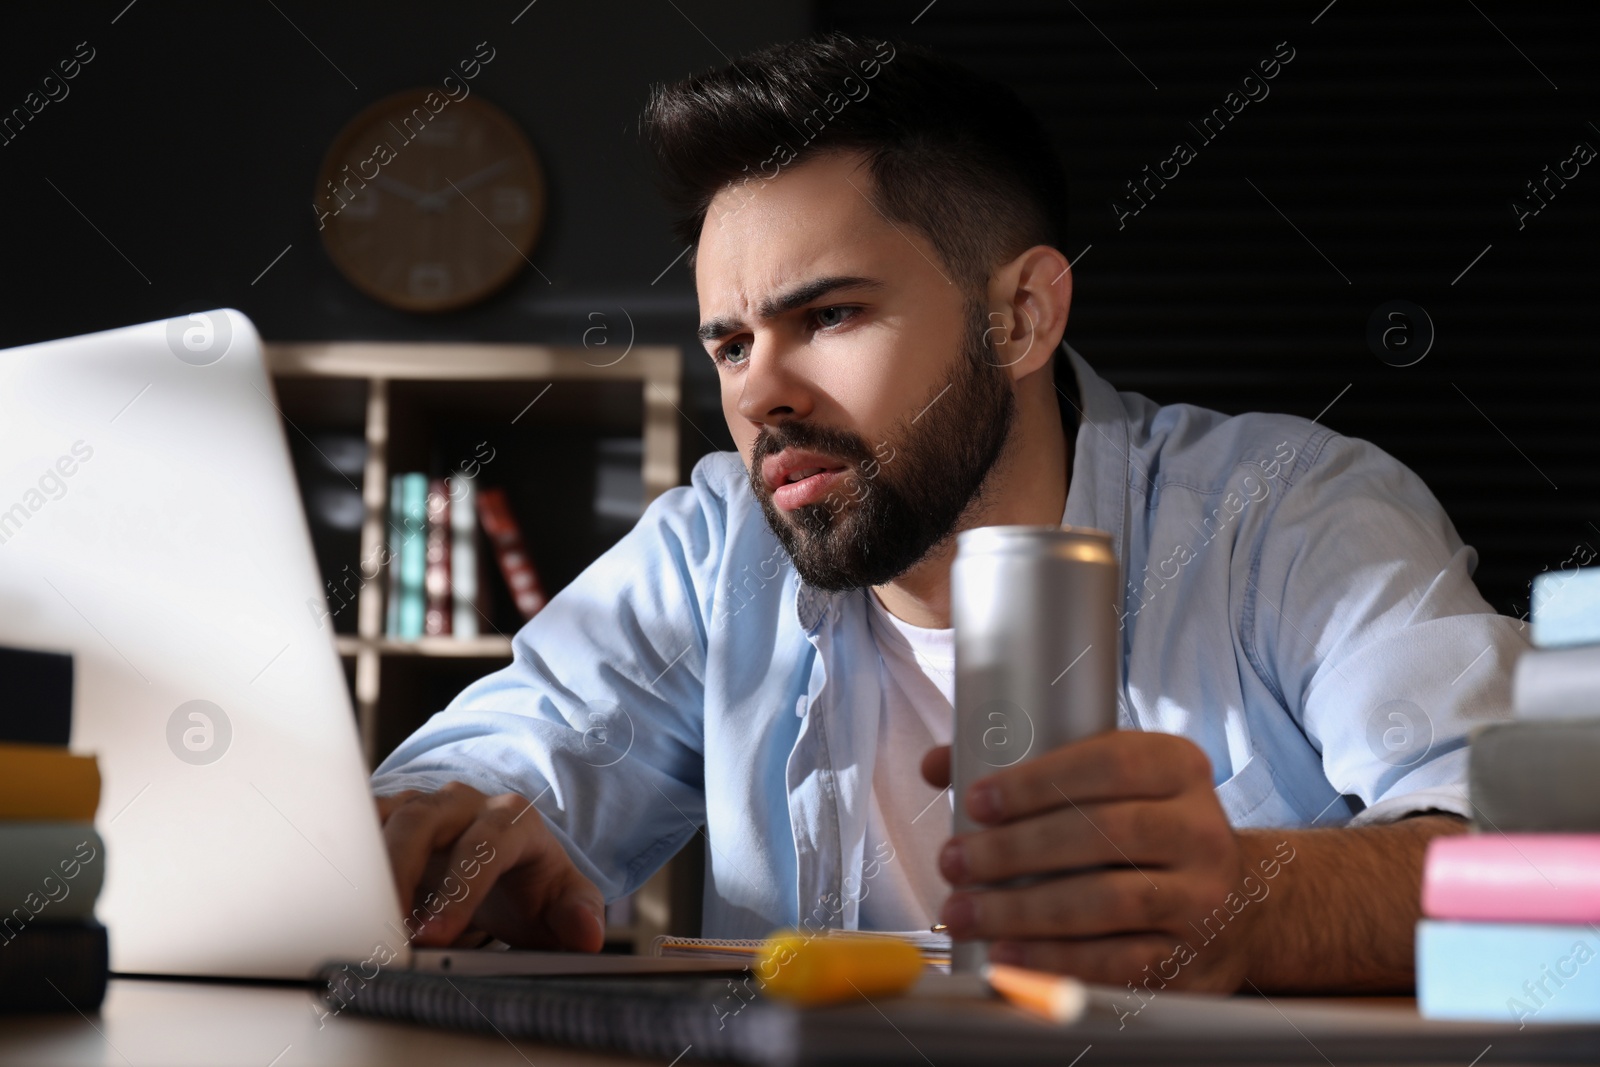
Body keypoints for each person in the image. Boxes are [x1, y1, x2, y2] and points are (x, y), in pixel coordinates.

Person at [370, 33, 1525, 992]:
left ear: (1022, 315)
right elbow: (506, 757)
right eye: (730, 341)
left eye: (825, 315)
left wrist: (1254, 903)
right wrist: (438, 832)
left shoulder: (1287, 515)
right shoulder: (715, 546)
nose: (758, 389)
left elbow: (1542, 854)